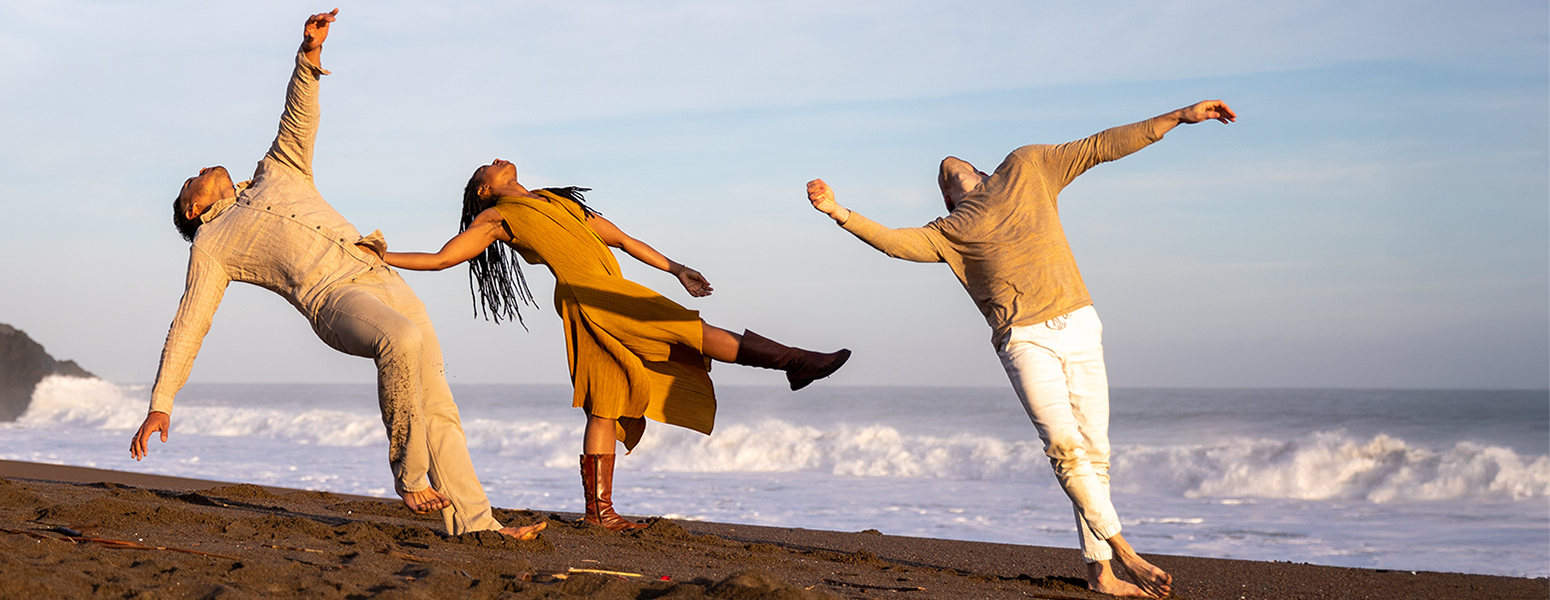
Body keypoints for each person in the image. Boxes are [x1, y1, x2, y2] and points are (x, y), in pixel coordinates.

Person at [128, 10, 544, 541]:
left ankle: (478, 525)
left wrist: (309, 53)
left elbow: (297, 115)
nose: (202, 168)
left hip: (380, 274)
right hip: (334, 300)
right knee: (401, 338)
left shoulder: (277, 170)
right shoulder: (211, 244)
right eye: (192, 179)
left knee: (437, 402)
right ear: (192, 210)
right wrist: (160, 405)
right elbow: (188, 326)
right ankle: (410, 477)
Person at [805, 100, 1237, 598]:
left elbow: (1101, 147)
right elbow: (893, 241)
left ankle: (1100, 575)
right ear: (949, 201)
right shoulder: (949, 232)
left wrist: (1180, 116)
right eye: (944, 180)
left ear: (985, 171)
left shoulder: (1027, 166)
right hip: (1023, 339)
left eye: (959, 166)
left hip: (1079, 322)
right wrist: (838, 211)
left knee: (1097, 455)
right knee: (1065, 449)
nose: (948, 167)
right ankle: (1125, 553)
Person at [382, 159, 851, 531]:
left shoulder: (559, 203)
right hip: (588, 297)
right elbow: (443, 258)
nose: (498, 159)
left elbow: (623, 241)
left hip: (611, 289)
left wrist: (676, 268)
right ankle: (795, 361)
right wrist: (385, 256)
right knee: (671, 347)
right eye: (488, 166)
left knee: (611, 400)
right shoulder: (497, 216)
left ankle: (599, 511)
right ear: (484, 189)